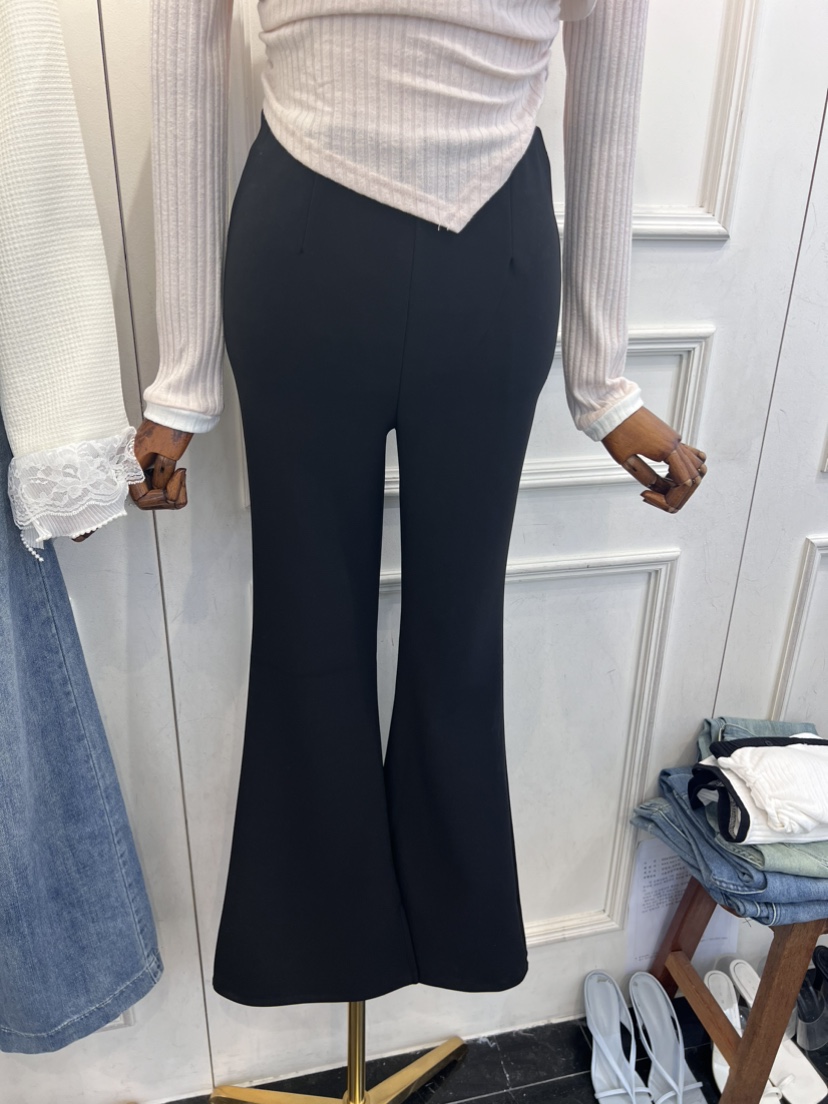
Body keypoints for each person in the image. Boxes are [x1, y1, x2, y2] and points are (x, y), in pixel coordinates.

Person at [135, 0, 708, 1006]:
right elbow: (184, 48)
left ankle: (456, 940)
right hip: (303, 243)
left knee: (460, 634)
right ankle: (318, 952)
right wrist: (180, 382)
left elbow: (609, 94)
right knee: (307, 633)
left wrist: (603, 383)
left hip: (493, 252)